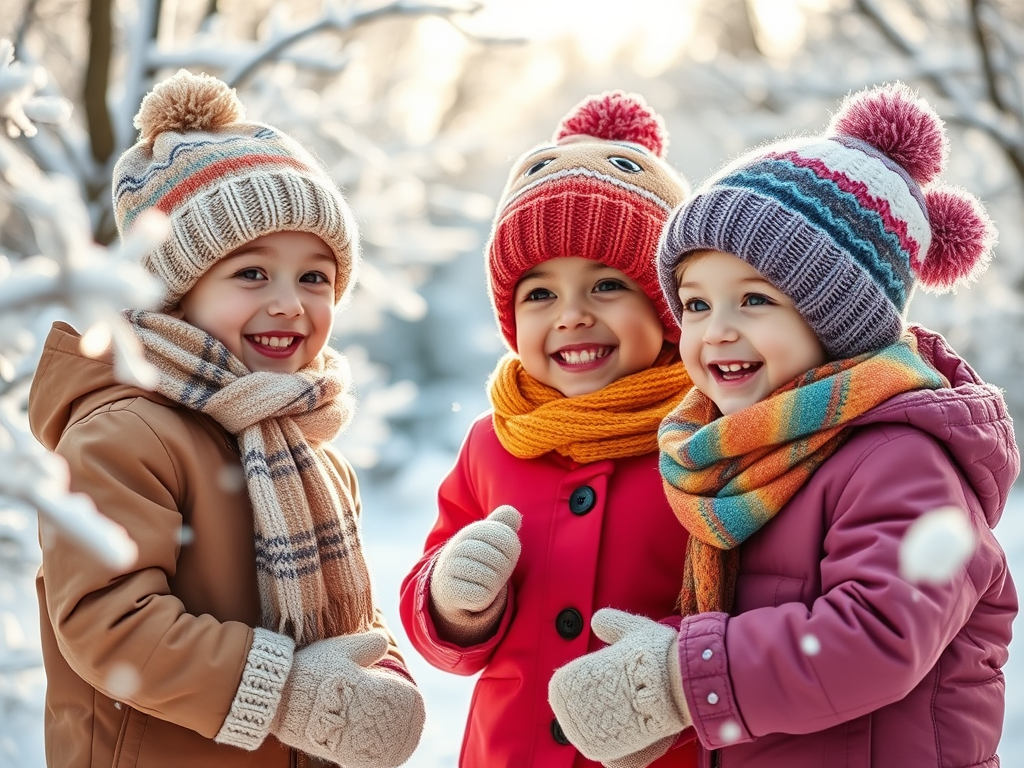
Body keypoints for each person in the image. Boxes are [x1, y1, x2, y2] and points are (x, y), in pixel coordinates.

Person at [546, 82, 1020, 768]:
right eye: (698, 304)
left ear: (838, 318)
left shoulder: (903, 458)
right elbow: (753, 620)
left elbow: (878, 636)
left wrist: (681, 678)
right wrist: (656, 683)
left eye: (755, 300)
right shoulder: (742, 453)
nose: (717, 331)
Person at [28, 69, 425, 768]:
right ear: (175, 295)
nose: (290, 304)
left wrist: (379, 676)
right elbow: (107, 621)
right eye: (251, 274)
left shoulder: (311, 452)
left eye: (315, 277)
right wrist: (288, 694)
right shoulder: (125, 435)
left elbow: (346, 617)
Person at [399, 91, 698, 768]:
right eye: (540, 293)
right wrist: (453, 600)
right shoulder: (493, 440)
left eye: (607, 286)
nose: (571, 315)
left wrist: (673, 664)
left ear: (667, 309)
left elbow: (743, 604)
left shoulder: (702, 438)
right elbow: (437, 621)